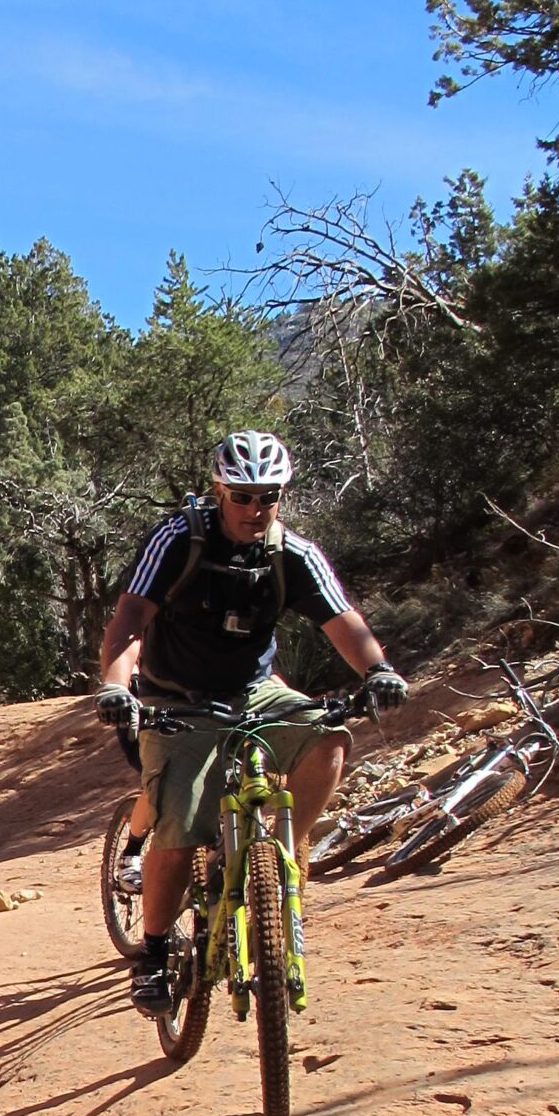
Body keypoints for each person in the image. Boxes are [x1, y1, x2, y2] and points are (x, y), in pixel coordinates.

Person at [96, 431, 407, 1012]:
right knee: (180, 829)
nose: (254, 508)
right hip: (177, 698)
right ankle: (155, 953)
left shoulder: (295, 554)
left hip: (255, 692)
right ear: (219, 491)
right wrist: (117, 685)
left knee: (329, 740)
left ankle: (279, 858)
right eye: (241, 496)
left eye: (268, 496)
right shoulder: (177, 540)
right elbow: (132, 618)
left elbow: (343, 621)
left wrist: (379, 672)